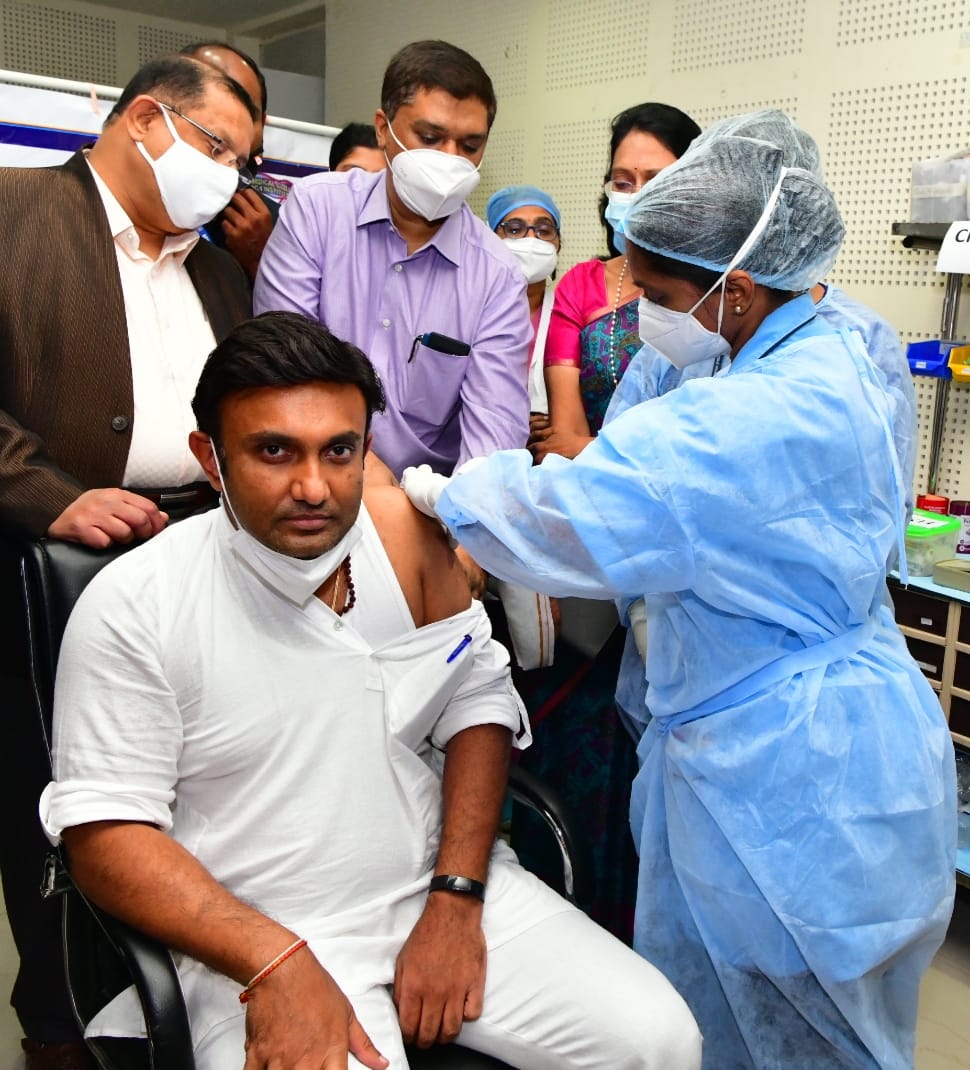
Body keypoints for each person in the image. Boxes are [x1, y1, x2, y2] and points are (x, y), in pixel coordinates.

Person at [402, 122, 956, 1069]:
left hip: (783, 776)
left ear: (734, 289)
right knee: (807, 1018)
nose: (644, 313)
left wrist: (442, 494)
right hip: (844, 738)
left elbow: (585, 514)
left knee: (785, 1023)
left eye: (657, 296)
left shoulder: (749, 413)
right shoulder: (818, 350)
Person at [40, 312, 702, 1070]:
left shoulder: (401, 539)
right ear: (211, 458)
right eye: (273, 451)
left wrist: (456, 894)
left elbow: (477, 703)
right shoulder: (137, 604)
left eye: (339, 451)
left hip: (436, 887)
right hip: (253, 939)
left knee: (662, 1041)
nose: (313, 486)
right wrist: (273, 959)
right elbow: (104, 838)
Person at [0, 54, 256, 1069]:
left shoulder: (215, 263)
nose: (230, 174)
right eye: (218, 147)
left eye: (244, 158)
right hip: (44, 578)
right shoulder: (17, 210)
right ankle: (62, 1029)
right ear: (147, 119)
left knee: (174, 812)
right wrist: (54, 497)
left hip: (198, 573)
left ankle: (162, 1020)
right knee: (57, 829)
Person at [603, 109, 919, 737]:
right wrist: (640, 610)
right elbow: (615, 487)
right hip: (672, 667)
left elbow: (875, 519)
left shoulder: (858, 348)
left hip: (800, 685)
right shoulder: (681, 330)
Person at [253, 39, 532, 482]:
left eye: (470, 144)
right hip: (306, 478)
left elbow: (493, 434)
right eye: (430, 137)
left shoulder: (497, 276)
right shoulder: (317, 211)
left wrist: (461, 523)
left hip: (424, 506)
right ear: (383, 129)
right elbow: (284, 369)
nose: (450, 160)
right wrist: (366, 472)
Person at [528, 102, 699, 464]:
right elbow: (564, 441)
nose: (636, 195)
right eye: (623, 182)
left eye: (656, 181)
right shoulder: (581, 285)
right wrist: (586, 452)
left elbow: (708, 439)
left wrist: (592, 449)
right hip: (586, 490)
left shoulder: (716, 290)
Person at [182, 41, 280, 281]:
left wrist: (261, 260)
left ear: (263, 123)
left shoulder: (278, 224)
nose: (228, 128)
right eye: (208, 105)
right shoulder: (118, 208)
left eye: (247, 112)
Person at [485, 184, 561, 415]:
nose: (531, 239)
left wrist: (555, 421)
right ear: (491, 239)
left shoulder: (568, 314)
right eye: (515, 229)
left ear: (558, 244)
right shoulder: (470, 311)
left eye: (544, 230)